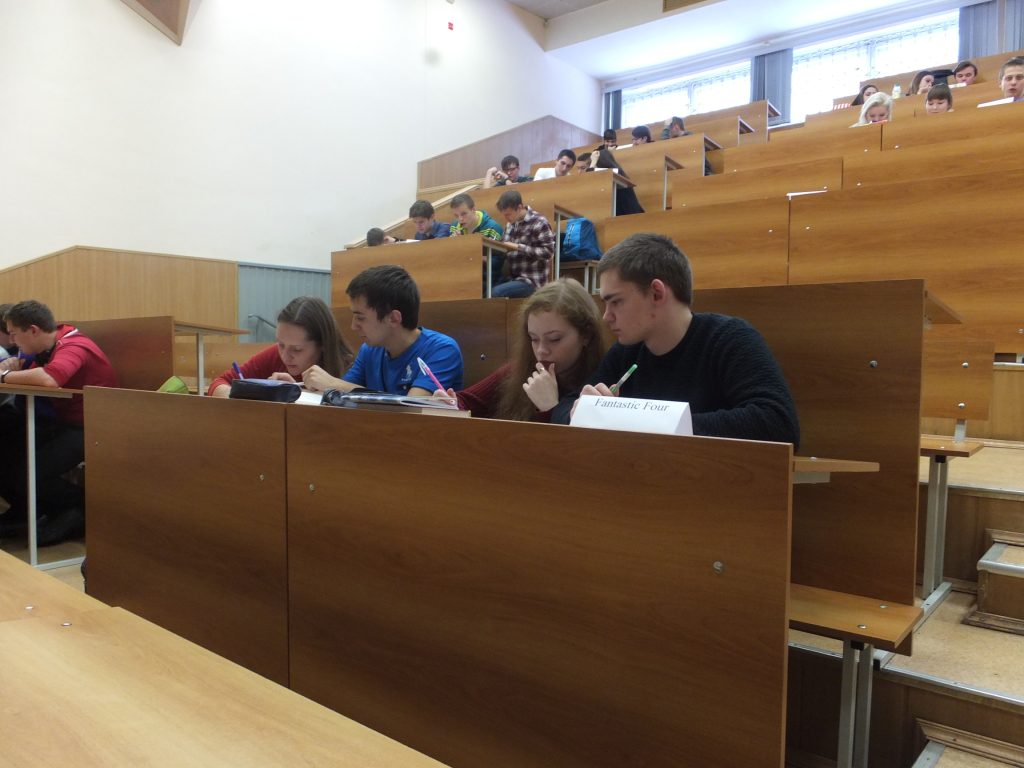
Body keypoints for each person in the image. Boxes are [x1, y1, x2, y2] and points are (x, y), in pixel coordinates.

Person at [550, 233, 800, 446]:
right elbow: (566, 408)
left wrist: (644, 422)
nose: (606, 317)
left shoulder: (729, 339)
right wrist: (580, 412)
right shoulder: (626, 352)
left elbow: (778, 424)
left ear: (657, 294)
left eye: (616, 301)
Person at [0, 300, 119, 545]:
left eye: (14, 334)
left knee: (29, 473)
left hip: (94, 427)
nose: (12, 341)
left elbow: (50, 379)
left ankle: (79, 507)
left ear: (33, 330)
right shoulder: (45, 347)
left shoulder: (75, 345)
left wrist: (5, 375)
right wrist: (11, 369)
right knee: (5, 452)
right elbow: (28, 371)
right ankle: (27, 510)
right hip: (65, 423)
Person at [441, 278, 606, 421]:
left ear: (586, 335)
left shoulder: (601, 385)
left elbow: (566, 444)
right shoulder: (518, 371)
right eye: (534, 339)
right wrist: (449, 403)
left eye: (554, 339)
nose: (541, 350)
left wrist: (549, 408)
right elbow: (465, 401)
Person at [302, 265, 463, 396]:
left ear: (393, 318)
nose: (353, 326)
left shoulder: (442, 349)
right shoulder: (369, 350)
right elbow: (342, 396)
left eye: (360, 318)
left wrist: (333, 384)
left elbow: (412, 409)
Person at [208, 296, 353, 397]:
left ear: (323, 344)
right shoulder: (276, 354)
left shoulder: (351, 370)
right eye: (281, 344)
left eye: (297, 349)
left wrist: (299, 394)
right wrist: (238, 395)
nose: (285, 356)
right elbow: (219, 383)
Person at [493, 189, 555, 298]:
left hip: (532, 281)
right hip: (513, 279)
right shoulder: (510, 224)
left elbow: (548, 252)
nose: (506, 218)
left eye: (508, 214)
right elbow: (504, 248)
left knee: (496, 292)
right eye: (504, 215)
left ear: (520, 207)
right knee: (485, 288)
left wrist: (519, 247)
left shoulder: (539, 222)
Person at [449, 192, 505, 291]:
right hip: (462, 275)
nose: (460, 219)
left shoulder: (492, 227)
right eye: (456, 216)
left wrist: (471, 253)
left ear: (473, 210)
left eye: (464, 214)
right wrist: (454, 246)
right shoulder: (454, 226)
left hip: (487, 277)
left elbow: (497, 263)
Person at [586, 147, 645, 215]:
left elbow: (589, 177)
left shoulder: (616, 177)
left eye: (596, 164)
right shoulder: (619, 175)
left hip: (627, 216)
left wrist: (593, 163)